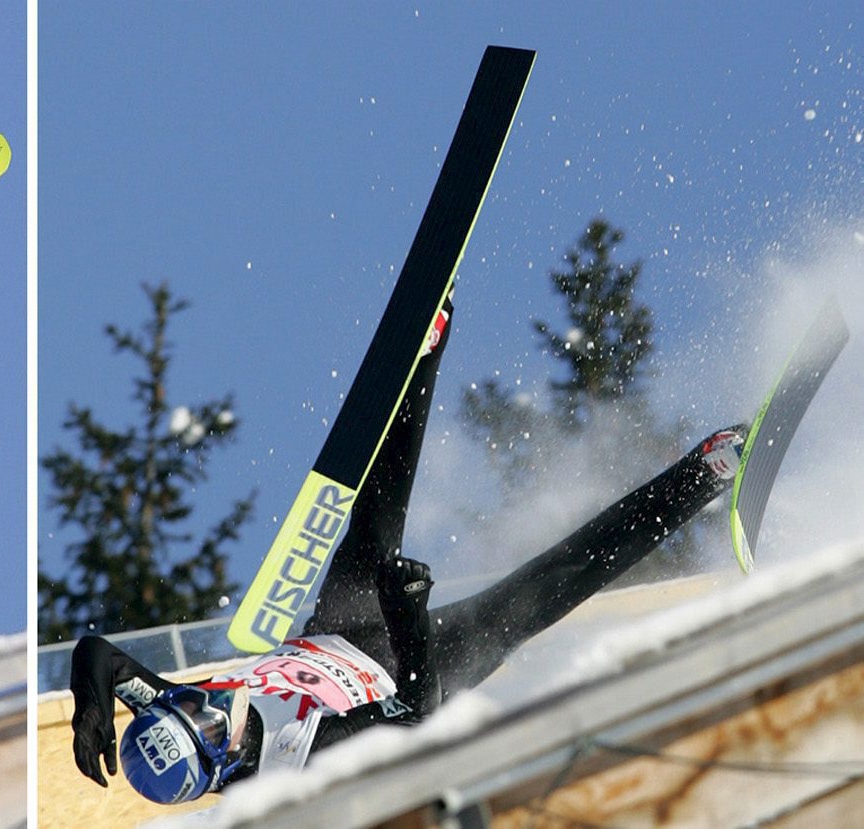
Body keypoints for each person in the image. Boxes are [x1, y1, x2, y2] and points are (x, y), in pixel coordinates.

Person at [68, 301, 750, 805]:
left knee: (374, 506)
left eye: (190, 706)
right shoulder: (299, 764)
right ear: (218, 764)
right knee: (549, 585)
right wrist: (409, 615)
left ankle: (427, 341)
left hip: (335, 628)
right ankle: (706, 474)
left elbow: (100, 652)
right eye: (209, 725)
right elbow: (416, 711)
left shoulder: (179, 709)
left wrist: (89, 696)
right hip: (416, 663)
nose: (210, 706)